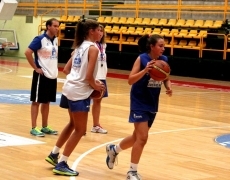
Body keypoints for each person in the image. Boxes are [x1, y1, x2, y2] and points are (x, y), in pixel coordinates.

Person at [105, 34, 173, 180]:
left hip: (152, 102)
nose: (163, 48)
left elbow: (165, 77)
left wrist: (168, 86)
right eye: (160, 46)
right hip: (139, 102)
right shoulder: (142, 59)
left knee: (137, 137)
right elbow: (130, 80)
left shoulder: (164, 60)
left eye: (164, 46)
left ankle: (113, 149)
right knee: (142, 138)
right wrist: (145, 71)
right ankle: (132, 171)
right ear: (152, 46)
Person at [45, 19, 105, 176]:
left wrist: (89, 80)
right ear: (91, 31)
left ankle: (54, 153)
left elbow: (66, 69)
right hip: (79, 92)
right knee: (80, 130)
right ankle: (62, 163)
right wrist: (96, 85)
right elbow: (88, 76)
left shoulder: (79, 47)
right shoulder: (93, 49)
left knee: (72, 124)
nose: (101, 32)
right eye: (98, 30)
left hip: (69, 88)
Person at [24, 18, 59, 137]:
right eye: (55, 26)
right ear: (48, 26)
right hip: (41, 75)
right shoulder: (40, 39)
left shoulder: (56, 40)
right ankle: (34, 127)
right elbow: (27, 52)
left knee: (47, 101)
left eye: (58, 26)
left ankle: (45, 126)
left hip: (52, 75)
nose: (57, 28)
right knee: (36, 101)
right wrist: (35, 67)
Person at [91, 24, 108, 134]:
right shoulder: (89, 45)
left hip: (102, 76)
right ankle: (78, 125)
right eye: (98, 30)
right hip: (92, 77)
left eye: (102, 31)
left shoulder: (103, 45)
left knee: (98, 101)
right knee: (84, 101)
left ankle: (96, 125)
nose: (100, 33)